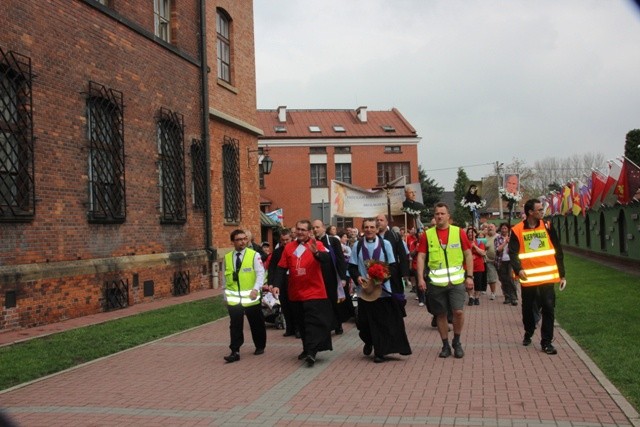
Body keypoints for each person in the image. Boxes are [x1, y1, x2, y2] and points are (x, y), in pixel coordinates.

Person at [348, 218, 412, 363]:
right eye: (366, 227)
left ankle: (380, 352)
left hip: (383, 291)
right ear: (363, 230)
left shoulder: (385, 244)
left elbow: (393, 265)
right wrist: (357, 277)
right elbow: (351, 266)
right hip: (365, 292)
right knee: (363, 323)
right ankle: (368, 341)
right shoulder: (357, 246)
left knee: (381, 323)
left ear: (377, 229)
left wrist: (383, 278)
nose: (369, 230)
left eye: (372, 227)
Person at [417, 202, 474, 358]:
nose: (439, 216)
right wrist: (420, 278)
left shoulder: (458, 232)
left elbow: (468, 254)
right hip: (436, 282)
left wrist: (469, 276)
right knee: (440, 314)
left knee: (458, 312)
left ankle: (457, 341)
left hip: (456, 282)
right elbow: (421, 256)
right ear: (434, 216)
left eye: (442, 213)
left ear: (449, 216)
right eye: (437, 214)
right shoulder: (427, 235)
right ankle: (445, 345)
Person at [272, 220, 333, 367]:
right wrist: (276, 285)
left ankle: (312, 352)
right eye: (298, 229)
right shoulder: (289, 248)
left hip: (314, 292)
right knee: (302, 324)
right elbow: (281, 268)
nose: (300, 232)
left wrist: (317, 253)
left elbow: (327, 259)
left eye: (303, 230)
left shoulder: (316, 244)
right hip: (296, 292)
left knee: (312, 323)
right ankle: (306, 348)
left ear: (309, 232)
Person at [509, 199, 566, 355]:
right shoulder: (517, 230)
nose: (542, 212)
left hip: (547, 276)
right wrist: (518, 269)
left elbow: (557, 249)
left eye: (542, 209)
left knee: (548, 307)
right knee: (528, 309)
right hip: (528, 277)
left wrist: (562, 274)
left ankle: (546, 342)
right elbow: (513, 252)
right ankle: (529, 330)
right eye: (539, 209)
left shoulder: (547, 226)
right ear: (530, 212)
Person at [221, 229, 267, 363]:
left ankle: (260, 345)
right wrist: (224, 295)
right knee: (235, 325)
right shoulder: (228, 257)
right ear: (233, 241)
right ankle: (235, 350)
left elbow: (260, 273)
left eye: (244, 239)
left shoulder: (254, 255)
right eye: (239, 239)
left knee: (256, 323)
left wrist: (255, 289)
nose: (242, 242)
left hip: (251, 298)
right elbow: (224, 277)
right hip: (234, 299)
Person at [312, 219, 353, 334]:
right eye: (313, 227)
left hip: (331, 275)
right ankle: (326, 325)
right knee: (322, 302)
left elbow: (340, 259)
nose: (315, 230)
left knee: (333, 301)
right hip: (317, 276)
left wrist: (343, 276)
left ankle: (338, 324)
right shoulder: (311, 242)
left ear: (324, 228)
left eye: (317, 227)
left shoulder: (333, 241)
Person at [375, 214, 411, 315]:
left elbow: (402, 255)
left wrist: (405, 273)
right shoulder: (373, 237)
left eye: (381, 220)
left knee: (395, 298)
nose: (379, 222)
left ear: (386, 222)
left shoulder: (394, 236)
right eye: (377, 220)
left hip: (393, 273)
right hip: (376, 272)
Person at [267, 229, 297, 337]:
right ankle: (290, 328)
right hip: (282, 282)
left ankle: (298, 329)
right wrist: (271, 283)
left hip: (294, 282)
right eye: (283, 240)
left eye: (287, 240)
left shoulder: (297, 249)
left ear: (291, 238)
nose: (285, 242)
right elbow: (272, 268)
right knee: (285, 306)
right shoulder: (277, 252)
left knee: (295, 306)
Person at [495, 223, 518, 305]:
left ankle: (514, 298)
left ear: (508, 229)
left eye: (505, 228)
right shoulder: (498, 238)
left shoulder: (513, 238)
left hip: (511, 261)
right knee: (504, 280)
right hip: (501, 261)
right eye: (502, 228)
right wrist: (505, 242)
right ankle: (507, 297)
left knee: (511, 279)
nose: (504, 230)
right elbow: (498, 250)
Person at [466, 227, 486, 306]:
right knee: (469, 282)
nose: (470, 234)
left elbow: (483, 253)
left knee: (478, 282)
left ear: (475, 233)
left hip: (478, 266)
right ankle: (471, 297)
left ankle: (477, 297)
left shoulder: (479, 242)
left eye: (472, 232)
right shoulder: (465, 242)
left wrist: (475, 246)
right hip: (468, 266)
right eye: (469, 232)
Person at [484, 223, 499, 300]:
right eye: (489, 227)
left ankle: (506, 291)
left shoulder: (498, 237)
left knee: (503, 278)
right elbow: (483, 249)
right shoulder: (485, 238)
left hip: (500, 260)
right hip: (489, 260)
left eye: (491, 227)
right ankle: (493, 293)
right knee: (491, 277)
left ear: (495, 228)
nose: (490, 228)